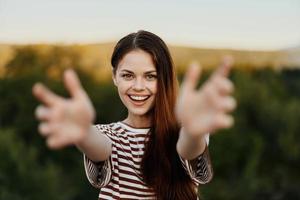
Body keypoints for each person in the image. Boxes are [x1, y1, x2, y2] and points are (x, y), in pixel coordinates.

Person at [32, 30, 236, 200]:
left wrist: (192, 131)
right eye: (128, 75)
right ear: (114, 77)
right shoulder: (107, 135)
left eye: (150, 76)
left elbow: (188, 148)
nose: (138, 87)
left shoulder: (186, 132)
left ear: (164, 79)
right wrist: (83, 132)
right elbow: (99, 147)